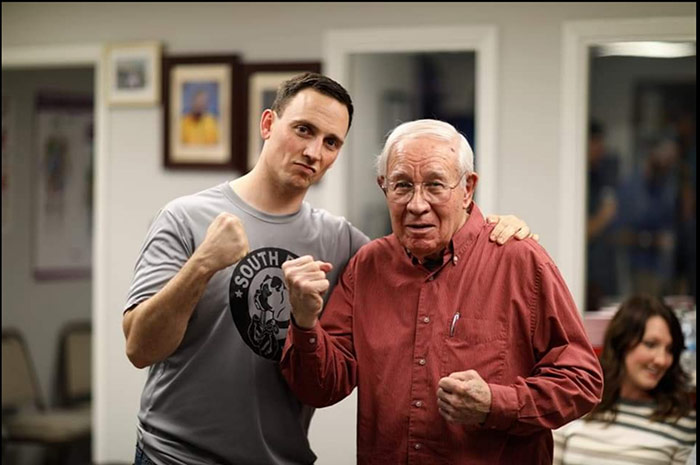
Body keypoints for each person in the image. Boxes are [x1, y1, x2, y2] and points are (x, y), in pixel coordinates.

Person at [123, 74, 534, 464]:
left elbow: (421, 255)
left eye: (331, 142)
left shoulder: (343, 243)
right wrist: (202, 265)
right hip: (175, 456)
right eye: (303, 130)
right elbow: (140, 349)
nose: (314, 152)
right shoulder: (186, 218)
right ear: (268, 123)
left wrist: (488, 228)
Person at [280, 119, 604, 464]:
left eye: (435, 185)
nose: (417, 205)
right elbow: (320, 388)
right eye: (402, 186)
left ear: (467, 189)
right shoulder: (368, 267)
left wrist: (497, 403)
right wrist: (304, 321)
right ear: (384, 188)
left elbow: (582, 381)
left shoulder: (519, 260)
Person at [553, 294, 696, 465]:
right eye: (651, 344)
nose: (662, 360)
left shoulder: (682, 422)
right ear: (621, 343)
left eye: (670, 350)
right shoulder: (578, 404)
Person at [585, 120, 620, 311]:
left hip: (605, 270)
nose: (601, 150)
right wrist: (605, 216)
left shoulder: (600, 177)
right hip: (588, 275)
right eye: (596, 143)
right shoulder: (578, 181)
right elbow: (583, 232)